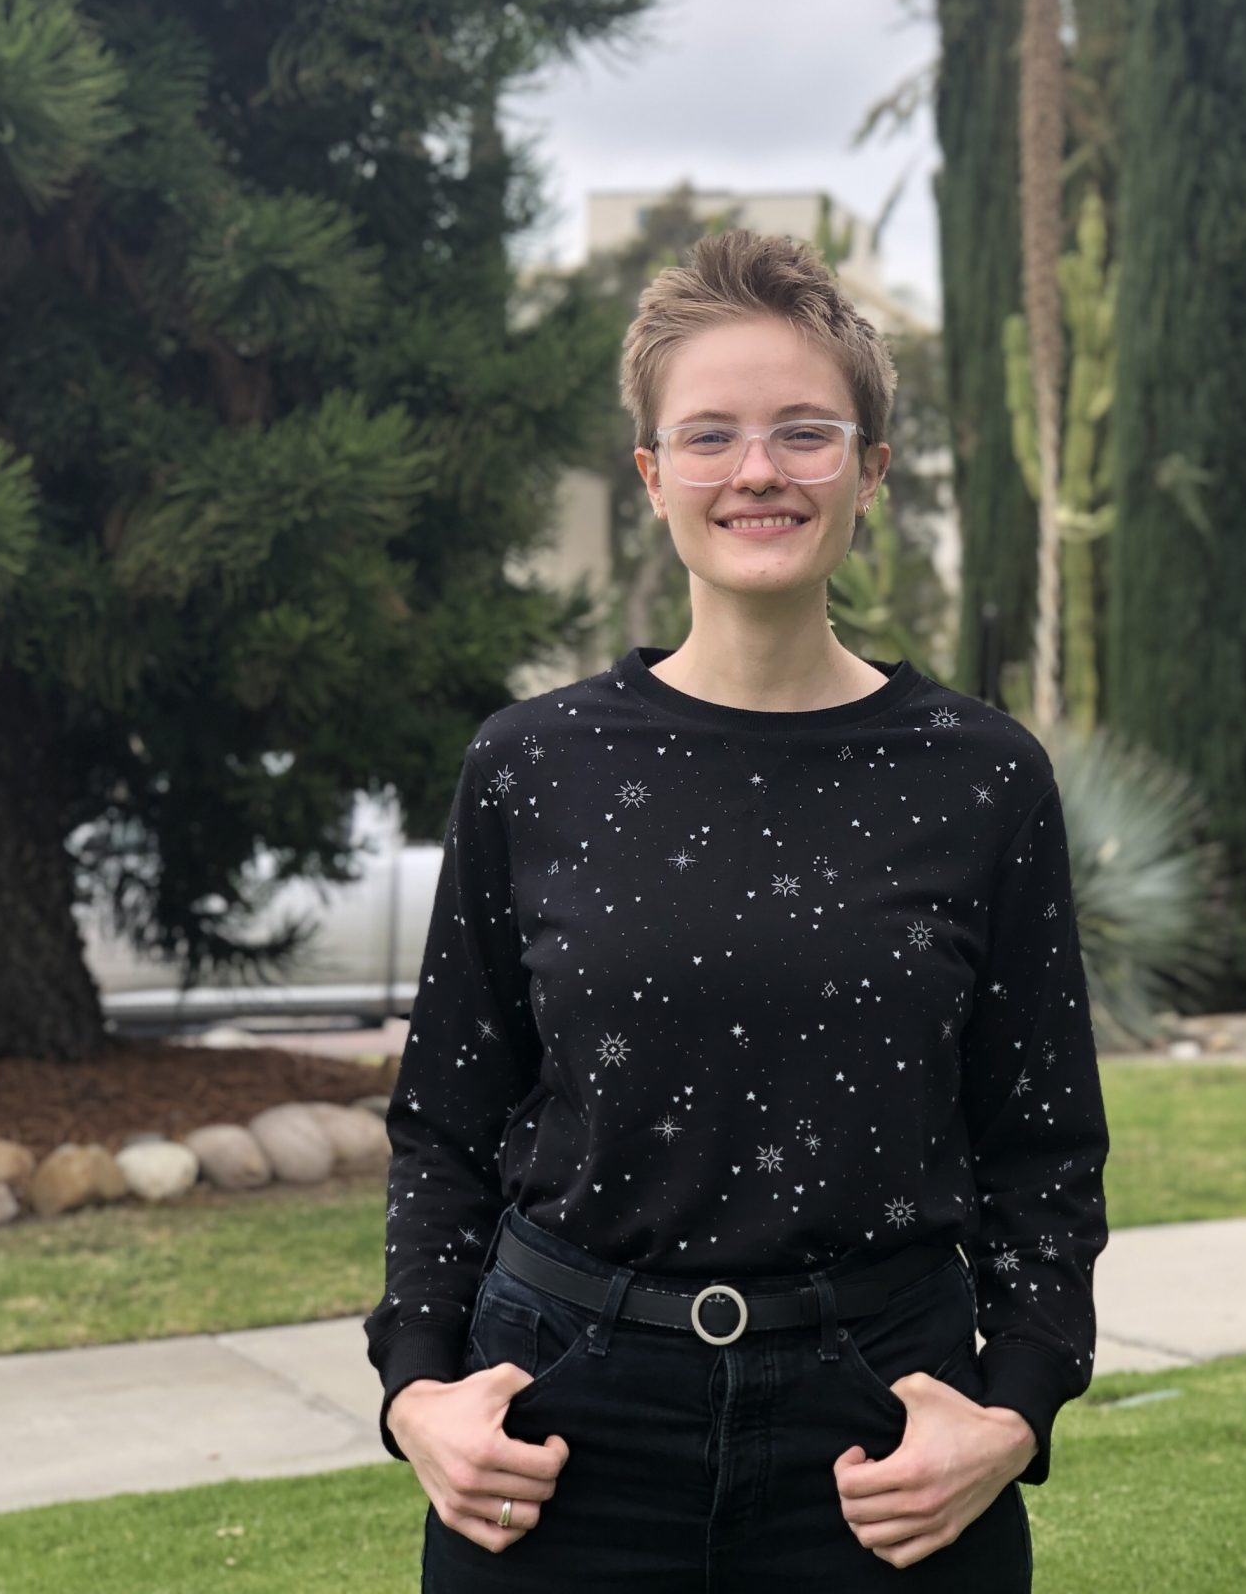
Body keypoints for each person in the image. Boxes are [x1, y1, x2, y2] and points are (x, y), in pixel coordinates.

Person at [365, 227, 1110, 1589]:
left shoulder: (981, 777)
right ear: (653, 476)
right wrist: (420, 1389)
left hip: (884, 1438)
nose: (756, 469)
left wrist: (1015, 1408)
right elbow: (448, 1117)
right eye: (708, 436)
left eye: (804, 433)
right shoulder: (532, 764)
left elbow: (1043, 1147)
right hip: (562, 1429)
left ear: (870, 470)